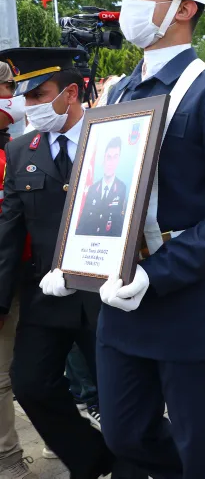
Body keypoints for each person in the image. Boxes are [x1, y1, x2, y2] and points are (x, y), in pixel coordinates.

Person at [54, 0, 205, 478]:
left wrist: (154, 272)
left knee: (202, 448)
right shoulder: (121, 90)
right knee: (126, 432)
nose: (130, 7)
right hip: (120, 299)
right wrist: (75, 255)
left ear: (185, 6)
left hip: (186, 299)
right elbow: (104, 189)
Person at [0, 48, 137, 478]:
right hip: (47, 296)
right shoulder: (23, 150)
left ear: (71, 93)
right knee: (30, 385)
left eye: (41, 94)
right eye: (27, 96)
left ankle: (134, 466)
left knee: (122, 399)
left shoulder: (115, 139)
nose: (32, 106)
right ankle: (91, 458)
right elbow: (9, 233)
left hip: (105, 297)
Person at [0, 62, 37, 479]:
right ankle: (7, 457)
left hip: (34, 271)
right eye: (10, 89)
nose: (16, 99)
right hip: (6, 279)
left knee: (38, 372)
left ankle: (58, 440)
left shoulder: (19, 145)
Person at [76, 137, 128, 237]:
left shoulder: (122, 188)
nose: (111, 162)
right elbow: (83, 224)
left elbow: (120, 226)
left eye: (115, 157)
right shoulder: (92, 189)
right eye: (108, 157)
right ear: (104, 158)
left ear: (118, 160)